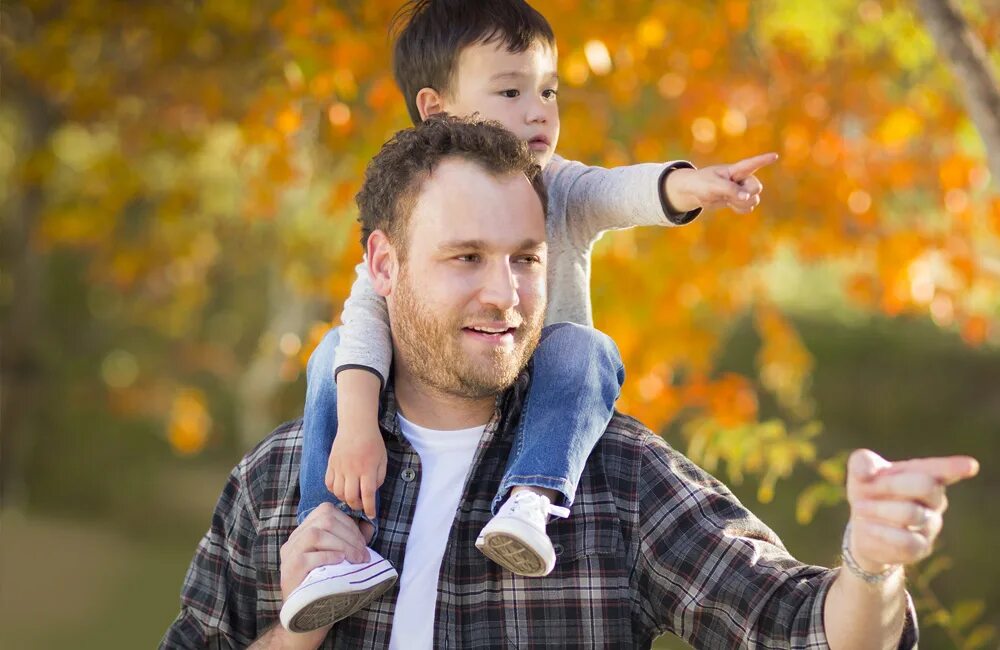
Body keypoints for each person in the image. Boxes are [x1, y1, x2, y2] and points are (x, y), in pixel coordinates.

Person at [162, 115, 978, 650]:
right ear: (383, 264)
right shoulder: (279, 480)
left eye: (526, 259)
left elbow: (801, 629)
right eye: (466, 258)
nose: (506, 293)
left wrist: (870, 563)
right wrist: (295, 634)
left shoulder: (613, 473)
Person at [290, 0, 780, 629]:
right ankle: (330, 538)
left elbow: (621, 190)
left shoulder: (560, 183)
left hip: (539, 391)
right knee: (332, 352)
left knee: (585, 348)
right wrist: (358, 427)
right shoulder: (415, 202)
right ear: (435, 107)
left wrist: (691, 186)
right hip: (437, 384)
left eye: (548, 90)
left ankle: (532, 498)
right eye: (511, 90)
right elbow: (365, 320)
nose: (538, 109)